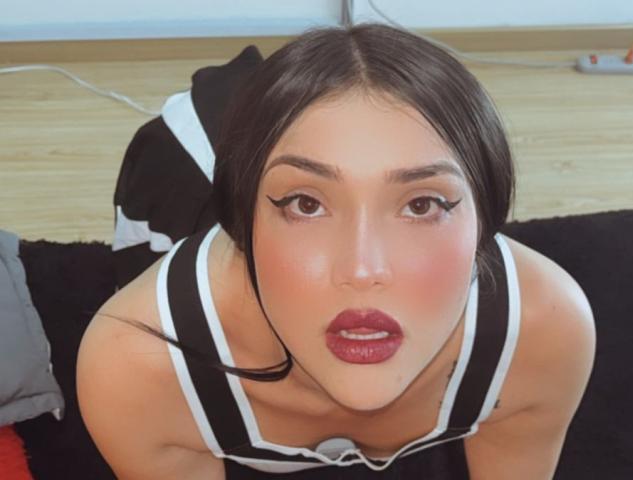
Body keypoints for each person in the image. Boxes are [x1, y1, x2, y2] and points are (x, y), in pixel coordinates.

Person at [76, 22, 596, 479]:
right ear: (242, 226)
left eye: (421, 204)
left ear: (485, 218)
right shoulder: (139, 365)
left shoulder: (546, 329)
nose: (362, 269)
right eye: (305, 204)